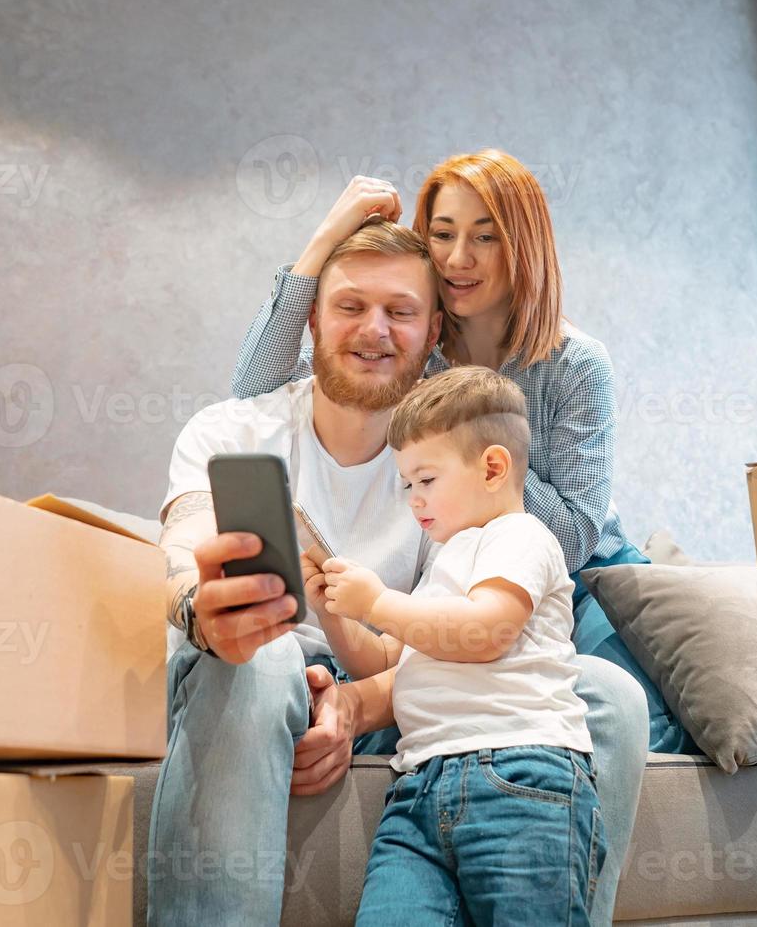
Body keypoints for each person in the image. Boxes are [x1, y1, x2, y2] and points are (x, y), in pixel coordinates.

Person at [150, 218, 648, 927]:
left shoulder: (444, 472)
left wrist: (354, 706)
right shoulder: (229, 428)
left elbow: (452, 639)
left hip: (394, 684)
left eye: (401, 312)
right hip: (258, 671)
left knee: (609, 697)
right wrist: (204, 609)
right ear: (314, 318)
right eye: (351, 306)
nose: (374, 330)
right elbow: (182, 547)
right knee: (263, 663)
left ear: (434, 332)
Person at [316, 366, 605, 925]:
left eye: (426, 480)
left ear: (493, 468)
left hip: (519, 774)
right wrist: (337, 616)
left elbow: (484, 634)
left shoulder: (519, 537)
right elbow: (385, 661)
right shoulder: (447, 562)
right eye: (406, 485)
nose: (413, 500)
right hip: (419, 786)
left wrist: (376, 602)